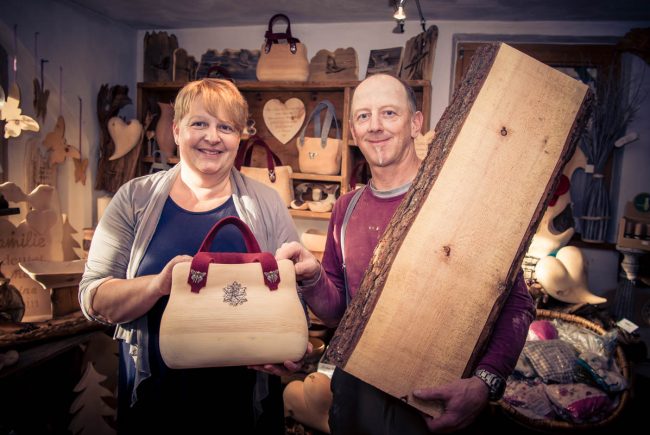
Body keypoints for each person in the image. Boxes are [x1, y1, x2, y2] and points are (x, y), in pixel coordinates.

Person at [276, 73, 536, 434]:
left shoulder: (461, 201)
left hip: (434, 406)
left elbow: (517, 303)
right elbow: (338, 313)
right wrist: (313, 277)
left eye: (389, 113)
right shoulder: (346, 208)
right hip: (355, 394)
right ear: (353, 131)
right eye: (363, 116)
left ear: (416, 124)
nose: (375, 126)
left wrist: (483, 384)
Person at [79, 78, 302, 434]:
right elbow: (93, 298)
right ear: (177, 129)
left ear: (239, 137)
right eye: (200, 123)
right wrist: (158, 286)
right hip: (156, 397)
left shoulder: (267, 203)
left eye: (225, 127)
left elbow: (291, 297)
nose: (212, 137)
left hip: (242, 404)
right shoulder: (134, 199)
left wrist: (288, 352)